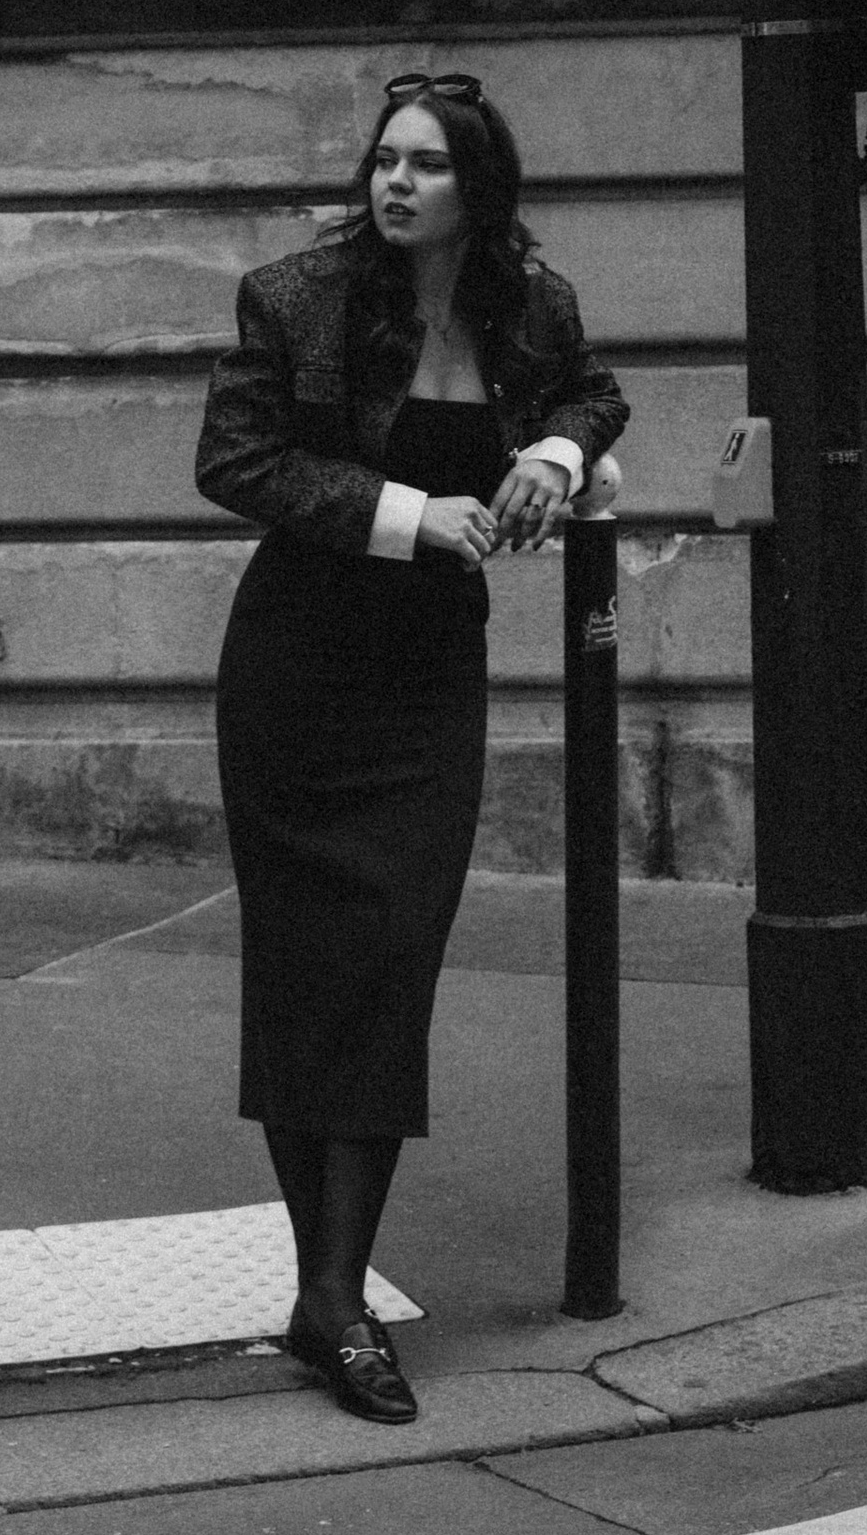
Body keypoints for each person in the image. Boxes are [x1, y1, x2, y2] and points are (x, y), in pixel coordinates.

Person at [195, 71, 627, 1422]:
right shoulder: (297, 295)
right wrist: (406, 513)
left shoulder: (527, 305)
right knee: (308, 969)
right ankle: (333, 1297)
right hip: (298, 670)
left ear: (475, 188)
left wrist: (556, 449)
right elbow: (235, 459)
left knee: (390, 962)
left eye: (427, 164)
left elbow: (599, 393)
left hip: (428, 675)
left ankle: (330, 1291)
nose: (396, 182)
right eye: (385, 159)